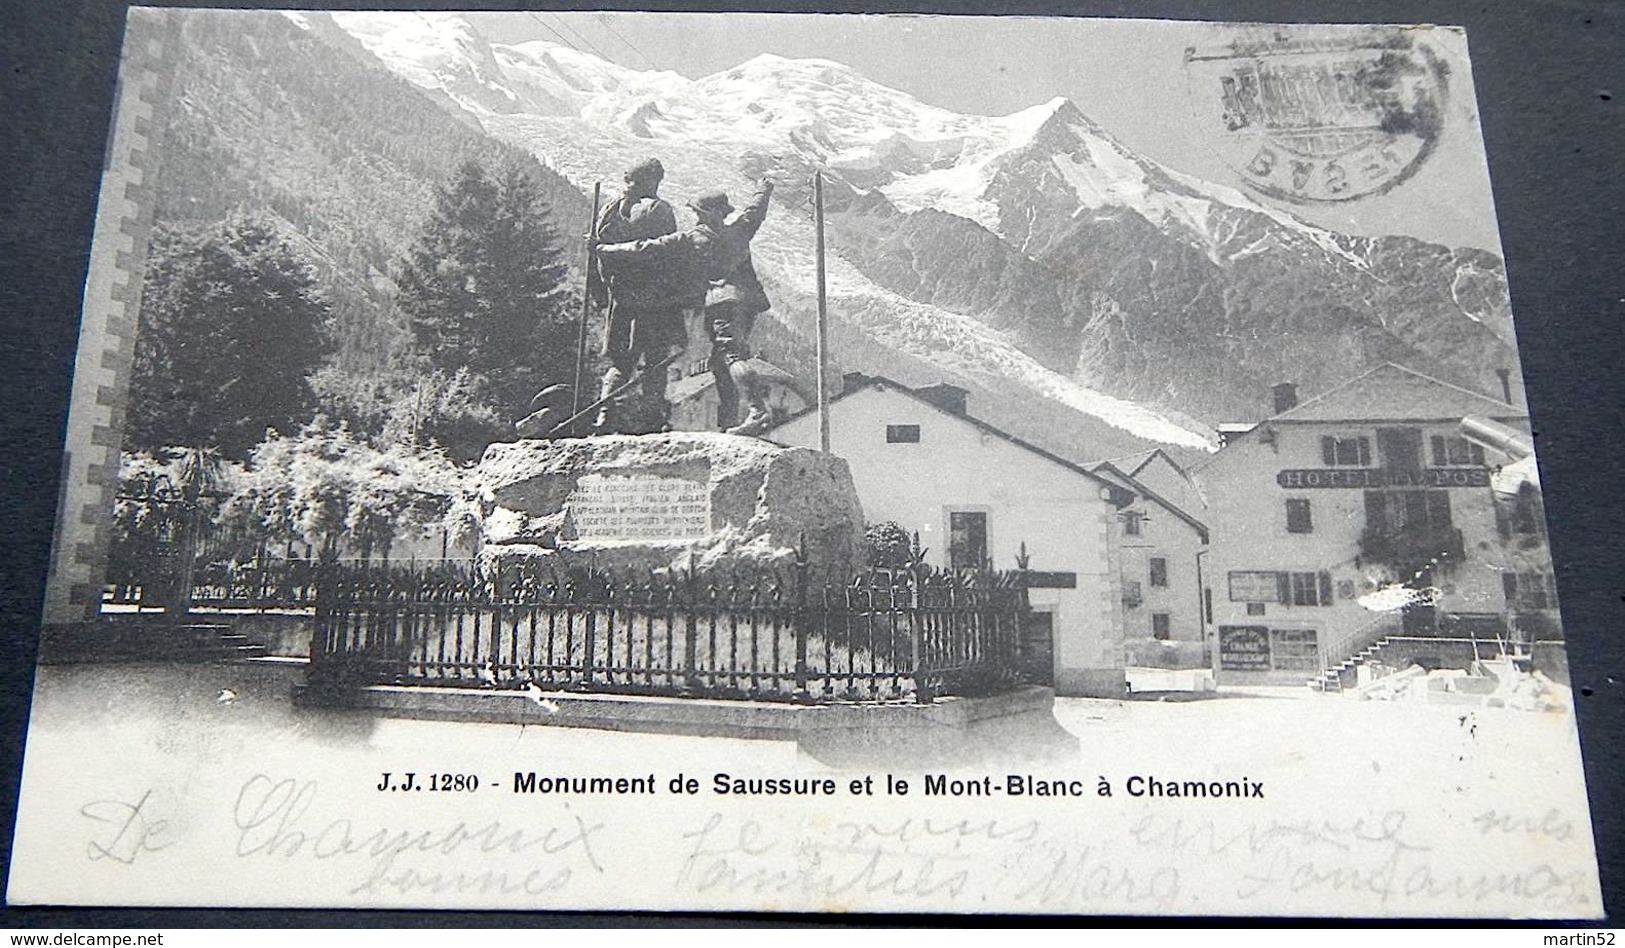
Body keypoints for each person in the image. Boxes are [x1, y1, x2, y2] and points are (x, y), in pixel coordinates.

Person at [596, 178, 776, 436]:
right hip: (748, 302)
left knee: (731, 356)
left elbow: (644, 248)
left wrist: (606, 250)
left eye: (697, 212)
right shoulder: (740, 230)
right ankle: (730, 422)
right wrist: (764, 189)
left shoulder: (690, 239)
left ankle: (758, 411)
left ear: (705, 214)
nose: (695, 217)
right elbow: (755, 210)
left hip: (720, 302)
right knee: (720, 360)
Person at [590, 158, 687, 434]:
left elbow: (597, 255)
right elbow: (666, 255)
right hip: (654, 300)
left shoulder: (608, 210)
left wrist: (602, 293)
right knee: (655, 360)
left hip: (621, 299)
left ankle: (605, 414)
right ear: (652, 180)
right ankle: (651, 419)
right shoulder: (658, 209)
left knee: (622, 361)